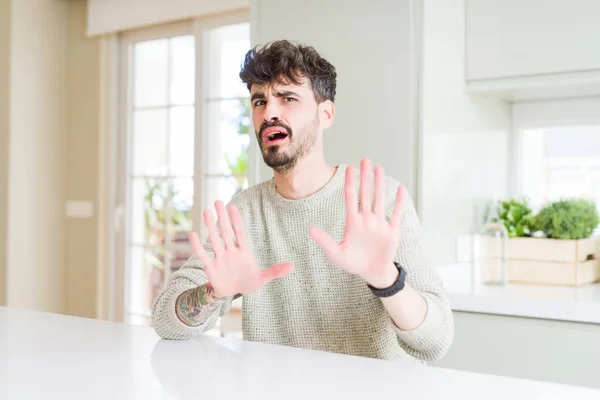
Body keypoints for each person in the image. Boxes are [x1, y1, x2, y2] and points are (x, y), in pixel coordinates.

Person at [151, 40, 454, 363]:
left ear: (326, 114)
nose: (269, 113)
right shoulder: (244, 213)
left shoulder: (381, 201)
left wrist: (385, 279)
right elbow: (165, 321)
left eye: (288, 98)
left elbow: (434, 343)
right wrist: (213, 292)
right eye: (259, 101)